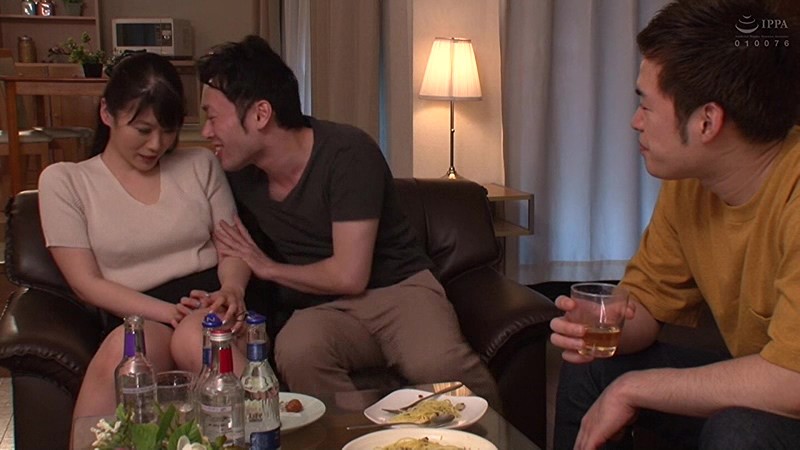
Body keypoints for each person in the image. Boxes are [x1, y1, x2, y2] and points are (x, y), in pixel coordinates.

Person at [195, 35, 499, 404]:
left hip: (398, 291)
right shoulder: (238, 173)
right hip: (322, 308)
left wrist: (269, 268)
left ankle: (494, 431)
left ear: (260, 114)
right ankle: (358, 431)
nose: (206, 131)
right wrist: (234, 288)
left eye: (213, 117)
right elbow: (237, 246)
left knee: (437, 364)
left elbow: (349, 275)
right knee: (298, 350)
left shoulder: (347, 153)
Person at [550, 0, 800, 449]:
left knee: (739, 432)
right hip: (769, 379)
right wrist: (603, 328)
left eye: (645, 105)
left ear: (707, 121)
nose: (635, 122)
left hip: (788, 385)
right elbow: (648, 304)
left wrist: (632, 388)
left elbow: (791, 381)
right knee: (594, 370)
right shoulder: (692, 184)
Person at [37, 52, 251, 419]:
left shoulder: (200, 164)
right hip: (136, 311)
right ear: (107, 113)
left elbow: (234, 248)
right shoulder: (66, 181)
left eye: (168, 130)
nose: (156, 145)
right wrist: (169, 312)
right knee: (127, 353)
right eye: (143, 130)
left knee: (198, 337)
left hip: (207, 300)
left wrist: (232, 289)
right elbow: (85, 283)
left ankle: (272, 430)